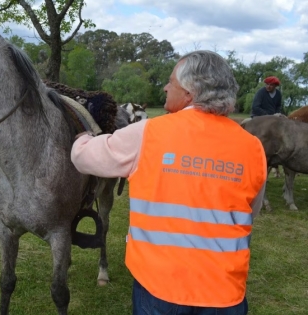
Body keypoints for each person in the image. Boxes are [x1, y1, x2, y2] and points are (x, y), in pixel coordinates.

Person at [71, 50, 267, 315]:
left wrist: (82, 134)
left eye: (170, 82)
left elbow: (83, 158)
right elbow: (248, 213)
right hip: (225, 292)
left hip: (160, 289)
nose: (164, 87)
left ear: (189, 92)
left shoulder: (149, 133)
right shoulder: (253, 147)